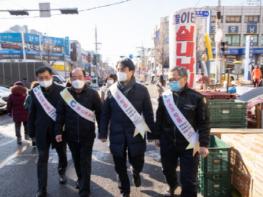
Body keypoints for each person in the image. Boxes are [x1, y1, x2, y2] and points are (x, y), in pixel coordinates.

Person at [99, 58, 155, 197]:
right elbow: (105, 114)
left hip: (136, 132)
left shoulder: (142, 90)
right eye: (118, 70)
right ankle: (124, 190)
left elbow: (148, 113)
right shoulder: (111, 91)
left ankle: (136, 172)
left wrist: (153, 134)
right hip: (116, 133)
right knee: (119, 164)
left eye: (123, 70)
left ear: (131, 71)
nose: (119, 72)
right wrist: (102, 132)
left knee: (137, 161)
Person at [154, 67, 210, 197]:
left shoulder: (197, 98)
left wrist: (203, 144)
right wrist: (156, 136)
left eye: (174, 79)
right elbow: (159, 119)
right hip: (168, 142)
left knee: (189, 180)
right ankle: (172, 186)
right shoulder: (165, 98)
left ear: (184, 79)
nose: (171, 82)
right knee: (167, 170)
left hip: (189, 144)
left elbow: (204, 122)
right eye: (169, 80)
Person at [55, 68, 101, 197]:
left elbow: (100, 113)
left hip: (87, 135)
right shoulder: (65, 94)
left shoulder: (93, 94)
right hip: (70, 134)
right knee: (76, 160)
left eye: (79, 77)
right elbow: (60, 114)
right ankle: (81, 180)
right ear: (70, 79)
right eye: (74, 77)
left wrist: (102, 131)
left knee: (85, 161)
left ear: (85, 78)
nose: (77, 80)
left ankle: (84, 190)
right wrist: (58, 131)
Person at [28, 66, 68, 197]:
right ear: (37, 79)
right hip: (41, 132)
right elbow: (31, 113)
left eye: (46, 77)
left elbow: (68, 112)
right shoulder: (34, 92)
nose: (44, 80)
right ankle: (41, 189)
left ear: (51, 76)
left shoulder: (63, 90)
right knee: (42, 159)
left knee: (62, 155)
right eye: (41, 78)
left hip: (59, 131)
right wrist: (31, 132)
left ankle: (62, 172)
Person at [24, 81, 39, 147]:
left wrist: (29, 109)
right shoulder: (41, 95)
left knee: (32, 128)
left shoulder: (29, 95)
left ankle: (34, 141)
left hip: (31, 115)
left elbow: (25, 106)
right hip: (40, 116)